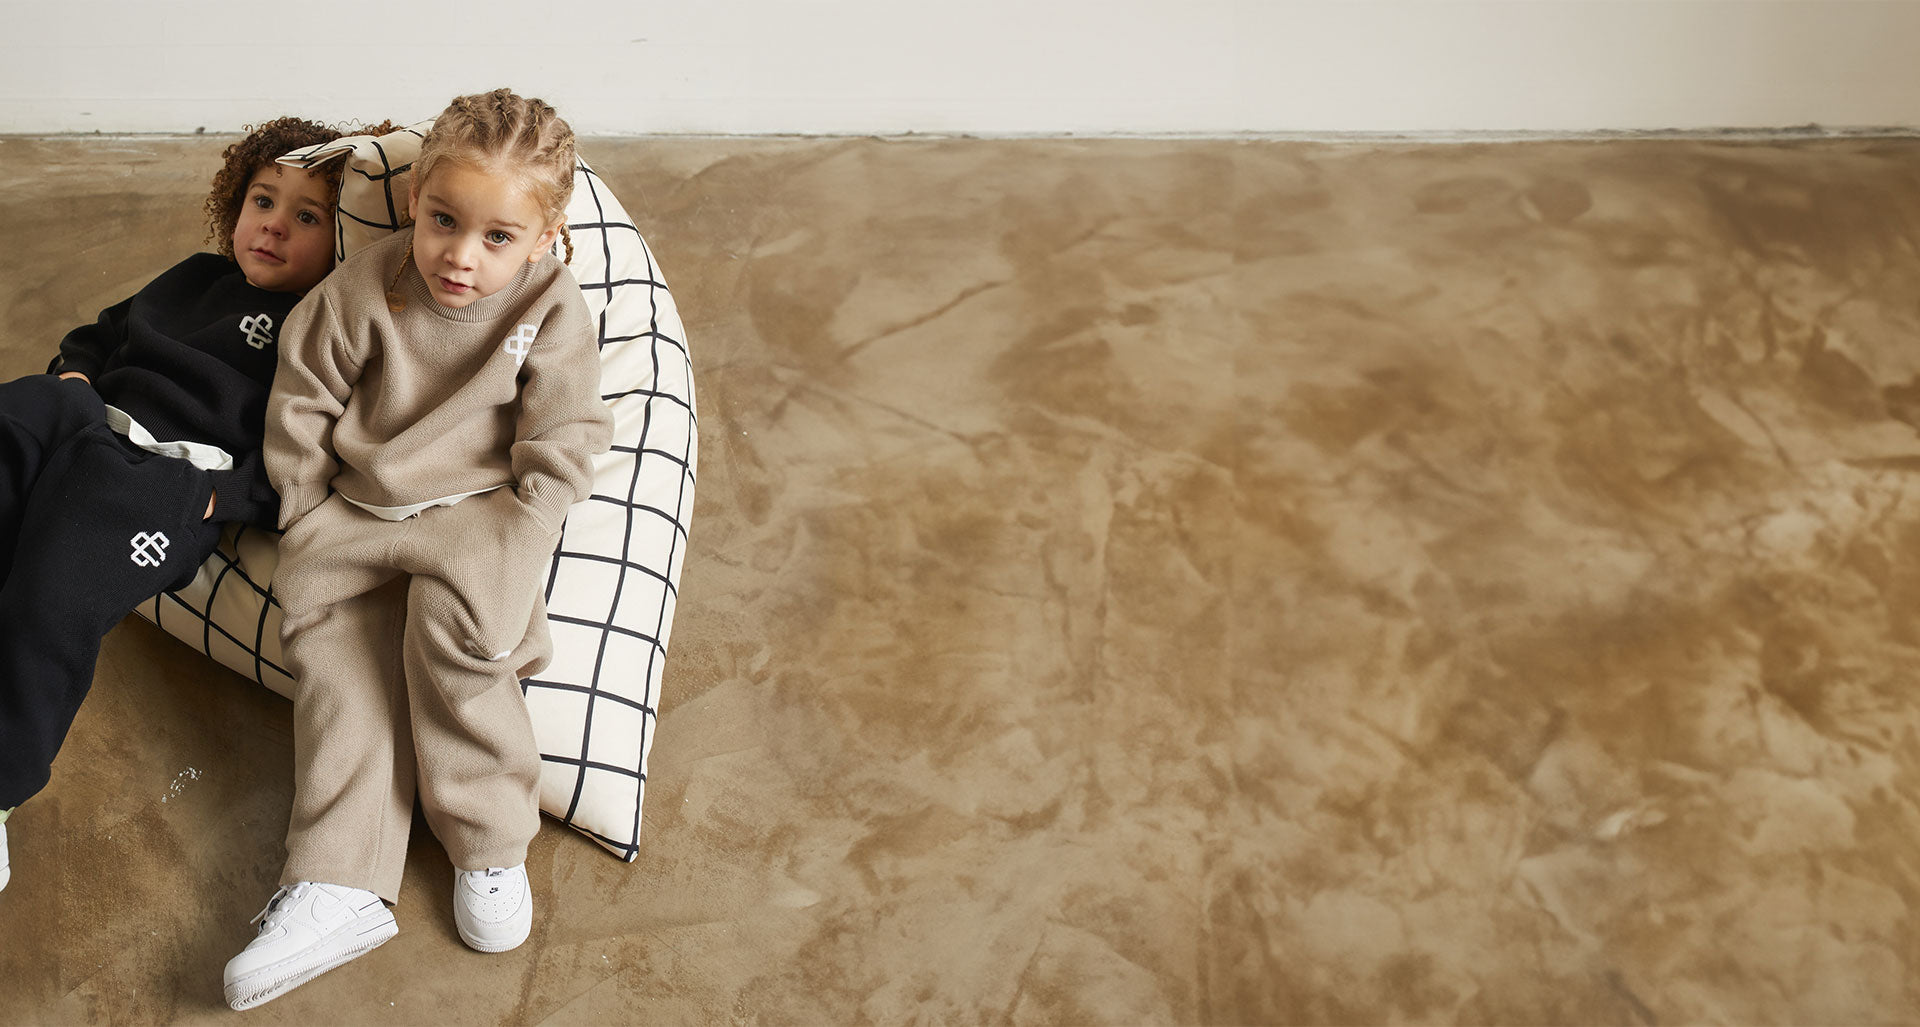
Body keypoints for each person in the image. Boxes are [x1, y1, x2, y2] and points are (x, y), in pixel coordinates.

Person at [223, 89, 613, 1010]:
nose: (461, 256)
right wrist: (305, 508)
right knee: (340, 660)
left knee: (459, 643)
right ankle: (339, 882)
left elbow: (565, 431)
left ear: (545, 236)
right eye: (444, 221)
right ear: (414, 202)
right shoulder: (365, 288)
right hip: (360, 510)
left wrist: (528, 524)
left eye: (497, 237)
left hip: (480, 514)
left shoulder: (550, 306)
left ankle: (489, 842)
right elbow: (303, 399)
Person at [0, 116, 357, 897]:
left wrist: (214, 497)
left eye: (307, 216)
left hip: (163, 474)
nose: (273, 224)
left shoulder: (322, 332)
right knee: (17, 410)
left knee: (49, 597)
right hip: (87, 417)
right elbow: (101, 332)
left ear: (343, 242)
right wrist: (73, 378)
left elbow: (308, 464)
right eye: (263, 200)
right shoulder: (192, 278)